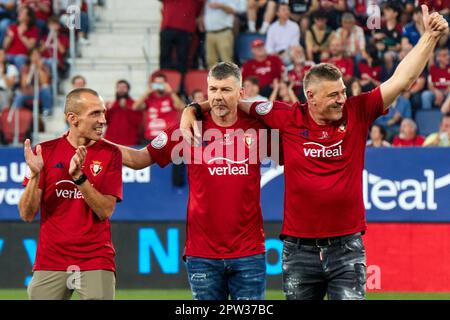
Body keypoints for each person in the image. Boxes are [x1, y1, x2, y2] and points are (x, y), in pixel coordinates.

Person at [181, 5, 448, 300]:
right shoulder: (285, 115)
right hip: (298, 252)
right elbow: (230, 101)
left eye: (343, 91)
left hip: (347, 248)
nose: (341, 99)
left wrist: (430, 37)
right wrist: (193, 109)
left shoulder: (357, 112)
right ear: (311, 97)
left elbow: (400, 80)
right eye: (334, 94)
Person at [113, 62, 272, 300]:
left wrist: (192, 106)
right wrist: (97, 144)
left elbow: (294, 125)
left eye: (226, 90)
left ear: (241, 93)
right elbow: (138, 159)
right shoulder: (186, 129)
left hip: (248, 254)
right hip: (202, 256)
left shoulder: (259, 128)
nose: (218, 96)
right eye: (213, 89)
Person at [18, 88, 123, 300]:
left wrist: (80, 178)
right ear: (73, 118)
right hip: (51, 260)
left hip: (95, 258)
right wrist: (36, 176)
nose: (103, 119)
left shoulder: (111, 154)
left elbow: (105, 211)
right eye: (95, 113)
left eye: (103, 112)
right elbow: (27, 214)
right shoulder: (44, 152)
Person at [133, 73, 184, 143]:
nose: (159, 86)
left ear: (166, 84)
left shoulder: (171, 98)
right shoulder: (149, 99)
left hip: (168, 138)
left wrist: (171, 92)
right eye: (157, 83)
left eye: (161, 83)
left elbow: (182, 107)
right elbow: (135, 107)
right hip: (150, 138)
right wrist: (146, 92)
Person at [104, 80, 142, 146]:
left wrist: (126, 108)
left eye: (124, 87)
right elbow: (105, 121)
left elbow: (137, 122)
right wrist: (107, 109)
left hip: (129, 143)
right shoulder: (112, 104)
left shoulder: (134, 104)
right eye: (119, 87)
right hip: (111, 142)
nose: (121, 89)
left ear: (128, 89)